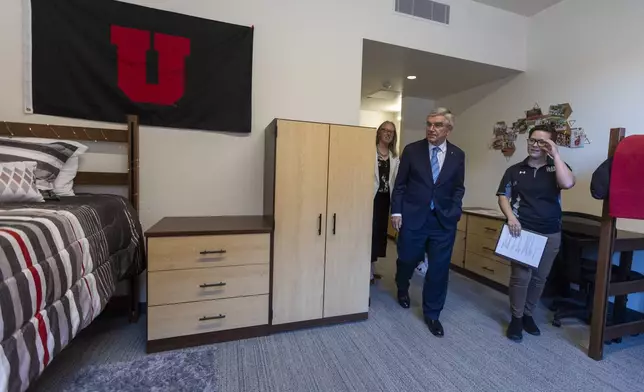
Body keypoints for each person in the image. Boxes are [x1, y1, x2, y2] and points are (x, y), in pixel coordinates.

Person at [496, 124, 575, 342]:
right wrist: (511, 217)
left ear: (550, 145)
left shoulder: (556, 167)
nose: (535, 145)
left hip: (550, 232)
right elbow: (503, 195)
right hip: (523, 230)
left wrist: (556, 156)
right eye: (532, 140)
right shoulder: (514, 170)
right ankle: (517, 318)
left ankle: (528, 314)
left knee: (540, 278)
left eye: (542, 141)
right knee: (521, 277)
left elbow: (567, 183)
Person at [391, 107, 465, 337]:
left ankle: (433, 313)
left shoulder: (457, 155)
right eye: (429, 124)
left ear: (448, 129)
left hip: (442, 221)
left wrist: (454, 211)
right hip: (413, 217)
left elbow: (458, 187)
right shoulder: (412, 151)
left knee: (439, 269)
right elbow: (400, 185)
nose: (432, 129)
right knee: (407, 258)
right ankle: (402, 286)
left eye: (438, 125)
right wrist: (397, 213)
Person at [371, 121, 400, 284]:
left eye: (391, 132)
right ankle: (366, 271)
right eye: (385, 130)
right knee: (369, 234)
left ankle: (372, 270)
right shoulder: (370, 151)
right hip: (370, 199)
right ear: (379, 132)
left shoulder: (394, 157)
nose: (388, 133)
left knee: (379, 236)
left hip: (384, 201)